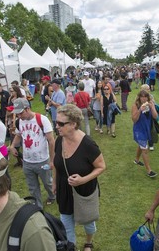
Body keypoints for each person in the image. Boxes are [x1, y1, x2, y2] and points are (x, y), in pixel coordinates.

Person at [53, 104, 106, 250]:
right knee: (66, 224)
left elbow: (101, 166)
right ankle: (71, 247)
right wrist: (55, 183)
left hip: (84, 190)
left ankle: (89, 242)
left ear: (73, 124)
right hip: (64, 189)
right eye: (56, 122)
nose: (56, 126)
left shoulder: (88, 144)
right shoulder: (59, 140)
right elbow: (55, 163)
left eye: (60, 123)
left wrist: (82, 179)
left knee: (88, 223)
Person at [9, 98, 56, 209]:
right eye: (17, 113)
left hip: (42, 160)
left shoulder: (42, 119)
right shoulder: (20, 121)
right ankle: (37, 206)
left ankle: (52, 196)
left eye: (20, 113)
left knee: (47, 182)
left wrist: (52, 160)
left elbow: (51, 141)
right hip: (27, 161)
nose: (19, 116)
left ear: (28, 108)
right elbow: (19, 135)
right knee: (32, 186)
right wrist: (12, 146)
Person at [132, 90, 158, 177]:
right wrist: (140, 110)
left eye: (145, 96)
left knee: (141, 145)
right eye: (142, 96)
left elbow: (155, 116)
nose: (144, 98)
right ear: (139, 97)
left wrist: (152, 107)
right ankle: (149, 171)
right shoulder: (135, 105)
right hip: (139, 130)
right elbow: (134, 120)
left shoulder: (150, 103)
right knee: (145, 149)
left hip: (147, 129)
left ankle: (136, 160)